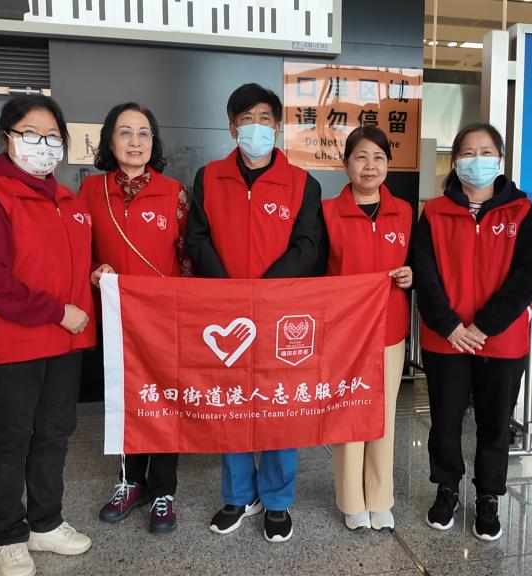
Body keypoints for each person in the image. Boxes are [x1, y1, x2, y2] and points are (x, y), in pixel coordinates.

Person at [0, 94, 102, 576]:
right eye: (31, 134)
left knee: (54, 435)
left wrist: (94, 273)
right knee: (11, 439)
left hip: (66, 342)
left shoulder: (68, 201)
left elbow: (70, 262)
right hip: (16, 342)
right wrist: (57, 312)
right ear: (7, 138)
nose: (43, 144)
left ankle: (45, 522)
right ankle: (7, 535)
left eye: (53, 136)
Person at [185, 83, 324, 543]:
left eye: (265, 118)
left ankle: (278, 500)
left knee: (279, 406)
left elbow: (308, 248)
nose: (256, 127)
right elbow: (196, 240)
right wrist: (231, 292)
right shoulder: (209, 177)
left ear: (277, 127)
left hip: (281, 316)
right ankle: (239, 495)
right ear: (232, 128)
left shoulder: (303, 183)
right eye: (246, 119)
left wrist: (262, 293)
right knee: (232, 405)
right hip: (225, 315)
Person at [411, 122, 532, 542]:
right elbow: (423, 273)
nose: (477, 160)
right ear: (455, 161)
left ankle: (489, 495)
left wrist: (483, 325)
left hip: (500, 340)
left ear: (499, 160)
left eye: (486, 152)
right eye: (468, 152)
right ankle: (447, 488)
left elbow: (530, 275)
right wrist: (451, 325)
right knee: (444, 422)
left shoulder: (521, 211)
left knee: (495, 424)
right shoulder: (434, 212)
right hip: (446, 339)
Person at [81, 102, 190, 534]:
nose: (135, 141)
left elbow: (188, 258)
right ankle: (130, 481)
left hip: (165, 320)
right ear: (110, 140)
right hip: (116, 318)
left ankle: (163, 490)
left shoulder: (174, 192)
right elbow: (78, 250)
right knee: (125, 400)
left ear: (153, 141)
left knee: (163, 400)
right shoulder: (91, 191)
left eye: (143, 133)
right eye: (125, 132)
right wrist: (95, 269)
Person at [322, 126, 413, 532]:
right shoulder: (327, 212)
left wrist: (412, 275)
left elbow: (419, 262)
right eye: (360, 157)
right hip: (345, 334)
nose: (370, 166)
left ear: (388, 164)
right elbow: (318, 274)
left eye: (378, 157)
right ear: (346, 164)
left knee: (383, 415)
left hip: (390, 330)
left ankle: (380, 498)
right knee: (348, 414)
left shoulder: (404, 212)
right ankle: (351, 501)